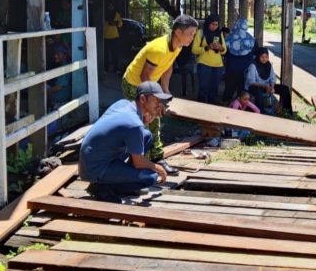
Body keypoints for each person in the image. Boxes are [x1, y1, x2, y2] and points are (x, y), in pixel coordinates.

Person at [122, 14, 199, 175]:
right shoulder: (159, 48)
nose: (193, 38)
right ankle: (137, 160)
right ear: (178, 32)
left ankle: (156, 159)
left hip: (150, 84)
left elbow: (168, 67)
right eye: (190, 34)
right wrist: (152, 102)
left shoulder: (177, 46)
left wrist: (165, 91)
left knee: (154, 119)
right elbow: (144, 76)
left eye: (194, 34)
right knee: (141, 121)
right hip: (134, 84)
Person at [79, 81, 171, 204]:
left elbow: (133, 132)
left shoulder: (123, 104)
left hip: (92, 160)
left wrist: (148, 120)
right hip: (95, 169)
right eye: (156, 100)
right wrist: (157, 167)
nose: (159, 105)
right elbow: (139, 163)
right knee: (150, 177)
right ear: (143, 99)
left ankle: (122, 180)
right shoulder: (134, 124)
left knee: (147, 136)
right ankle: (101, 188)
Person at [245, 47, 293, 115]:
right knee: (259, 92)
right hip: (254, 86)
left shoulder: (268, 65)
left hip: (266, 86)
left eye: (266, 57)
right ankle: (261, 113)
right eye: (262, 57)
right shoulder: (253, 65)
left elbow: (272, 78)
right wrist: (265, 86)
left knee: (284, 89)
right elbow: (251, 81)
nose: (264, 59)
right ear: (258, 56)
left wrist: (272, 87)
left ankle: (288, 112)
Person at [191, 14, 226, 104]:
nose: (214, 26)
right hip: (204, 64)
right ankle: (201, 106)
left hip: (218, 65)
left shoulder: (220, 33)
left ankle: (212, 106)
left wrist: (220, 48)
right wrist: (207, 47)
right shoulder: (200, 32)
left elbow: (224, 51)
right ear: (208, 23)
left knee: (214, 87)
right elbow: (194, 49)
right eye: (212, 24)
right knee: (203, 87)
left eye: (216, 25)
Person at [222, 18, 256, 101]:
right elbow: (255, 52)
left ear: (236, 25)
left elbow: (224, 52)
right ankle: (241, 104)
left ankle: (227, 103)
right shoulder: (251, 38)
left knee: (229, 87)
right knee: (243, 87)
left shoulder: (229, 37)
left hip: (232, 66)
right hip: (246, 67)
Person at [46, 44, 72, 109]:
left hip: (61, 97)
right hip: (65, 94)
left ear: (65, 55)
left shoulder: (65, 66)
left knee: (42, 90)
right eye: (55, 53)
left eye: (58, 54)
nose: (55, 56)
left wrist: (44, 93)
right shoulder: (66, 63)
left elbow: (58, 87)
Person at [103, 3, 123, 74]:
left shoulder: (116, 14)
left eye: (112, 5)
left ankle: (116, 69)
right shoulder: (103, 13)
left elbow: (120, 24)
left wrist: (116, 23)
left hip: (114, 36)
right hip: (105, 36)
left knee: (115, 54)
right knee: (105, 55)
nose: (110, 7)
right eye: (109, 5)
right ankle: (105, 69)